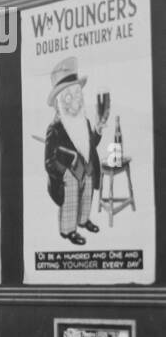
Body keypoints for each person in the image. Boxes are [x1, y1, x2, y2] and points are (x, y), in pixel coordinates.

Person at [43, 57, 106, 245]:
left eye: (77, 95)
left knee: (87, 194)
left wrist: (99, 129)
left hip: (86, 167)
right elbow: (48, 161)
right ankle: (69, 230)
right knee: (71, 199)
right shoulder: (55, 128)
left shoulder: (84, 122)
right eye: (68, 97)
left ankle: (84, 220)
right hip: (68, 174)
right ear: (59, 103)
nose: (74, 102)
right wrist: (63, 171)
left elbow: (91, 143)